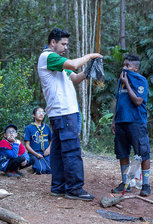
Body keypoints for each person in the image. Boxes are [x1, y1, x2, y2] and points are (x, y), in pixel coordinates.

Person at [37, 28, 102, 201]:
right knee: (72, 151)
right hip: (64, 113)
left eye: (67, 44)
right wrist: (90, 56)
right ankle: (74, 188)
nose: (65, 47)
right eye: (63, 44)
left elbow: (75, 77)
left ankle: (58, 187)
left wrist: (89, 70)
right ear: (53, 43)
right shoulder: (48, 57)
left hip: (61, 113)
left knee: (57, 152)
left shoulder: (57, 63)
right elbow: (73, 64)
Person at [111, 54, 151, 197]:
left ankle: (146, 185)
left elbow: (138, 101)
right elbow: (118, 100)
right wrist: (114, 120)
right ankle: (125, 183)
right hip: (121, 122)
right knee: (122, 153)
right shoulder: (120, 80)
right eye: (124, 65)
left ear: (135, 68)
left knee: (143, 153)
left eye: (127, 66)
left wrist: (127, 82)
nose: (124, 68)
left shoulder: (141, 80)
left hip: (136, 122)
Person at [24, 107, 52, 174]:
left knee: (51, 170)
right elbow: (27, 145)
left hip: (46, 153)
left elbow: (51, 140)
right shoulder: (29, 128)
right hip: (35, 153)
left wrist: (49, 149)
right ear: (34, 115)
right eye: (39, 112)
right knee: (41, 170)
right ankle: (34, 165)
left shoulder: (46, 127)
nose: (41, 114)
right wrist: (36, 154)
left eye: (43, 112)